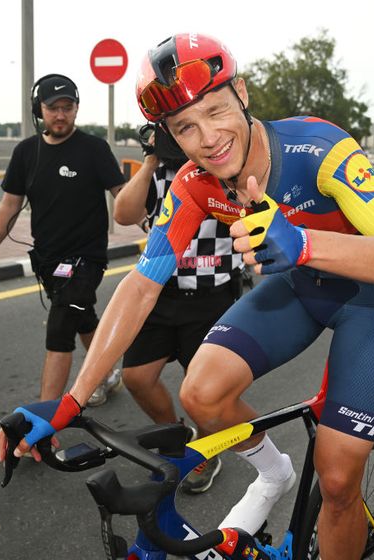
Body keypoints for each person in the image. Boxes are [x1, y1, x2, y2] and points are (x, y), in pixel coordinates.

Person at [0, 33, 374, 560]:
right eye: (185, 126)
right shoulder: (193, 184)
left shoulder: (317, 149)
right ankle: (274, 473)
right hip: (299, 288)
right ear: (169, 135)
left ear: (243, 94)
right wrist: (72, 400)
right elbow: (141, 286)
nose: (208, 138)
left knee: (340, 480)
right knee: (201, 393)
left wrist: (302, 242)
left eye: (215, 111)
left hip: (372, 296)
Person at [112, 124, 245, 493]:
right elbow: (123, 213)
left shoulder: (224, 168)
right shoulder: (160, 173)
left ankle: (205, 452)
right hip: (161, 291)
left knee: (204, 390)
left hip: (211, 295)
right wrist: (152, 159)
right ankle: (176, 437)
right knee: (137, 377)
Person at [0, 74, 125, 405]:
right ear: (38, 109)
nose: (60, 115)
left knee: (60, 328)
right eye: (52, 108)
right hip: (48, 259)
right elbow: (10, 205)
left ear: (76, 109)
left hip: (87, 258)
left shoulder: (94, 149)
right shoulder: (26, 153)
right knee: (82, 316)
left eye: (67, 107)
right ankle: (107, 373)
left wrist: (151, 217)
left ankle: (43, 423)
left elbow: (122, 195)